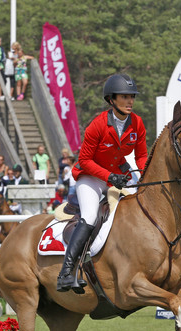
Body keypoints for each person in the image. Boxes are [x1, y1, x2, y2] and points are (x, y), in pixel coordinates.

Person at [56, 73, 147, 292]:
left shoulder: (137, 123)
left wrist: (145, 177)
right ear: (111, 100)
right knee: (89, 216)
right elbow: (84, 161)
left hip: (116, 177)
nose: (130, 101)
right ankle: (66, 273)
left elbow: (142, 156)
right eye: (124, 97)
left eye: (131, 96)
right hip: (90, 178)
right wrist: (109, 177)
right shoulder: (97, 125)